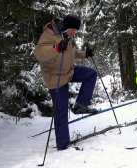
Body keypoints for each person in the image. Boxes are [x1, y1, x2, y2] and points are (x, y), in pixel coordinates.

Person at [34, 14, 98, 150]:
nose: (73, 34)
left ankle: (81, 105)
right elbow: (39, 53)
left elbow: (70, 52)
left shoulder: (65, 36)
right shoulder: (49, 34)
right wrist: (56, 48)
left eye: (75, 31)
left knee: (91, 74)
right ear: (65, 27)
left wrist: (85, 54)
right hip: (55, 77)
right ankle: (63, 145)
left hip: (68, 71)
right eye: (72, 30)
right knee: (61, 111)